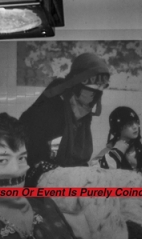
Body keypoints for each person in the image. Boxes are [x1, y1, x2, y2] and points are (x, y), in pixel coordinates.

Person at [19, 52, 110, 182]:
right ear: (78, 81)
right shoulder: (45, 111)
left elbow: (80, 158)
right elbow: (30, 160)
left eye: (102, 87)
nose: (99, 91)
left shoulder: (82, 112)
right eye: (96, 85)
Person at [90, 106, 142, 186]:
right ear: (118, 128)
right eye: (130, 124)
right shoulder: (109, 151)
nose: (135, 127)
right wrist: (119, 149)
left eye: (136, 122)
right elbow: (94, 174)